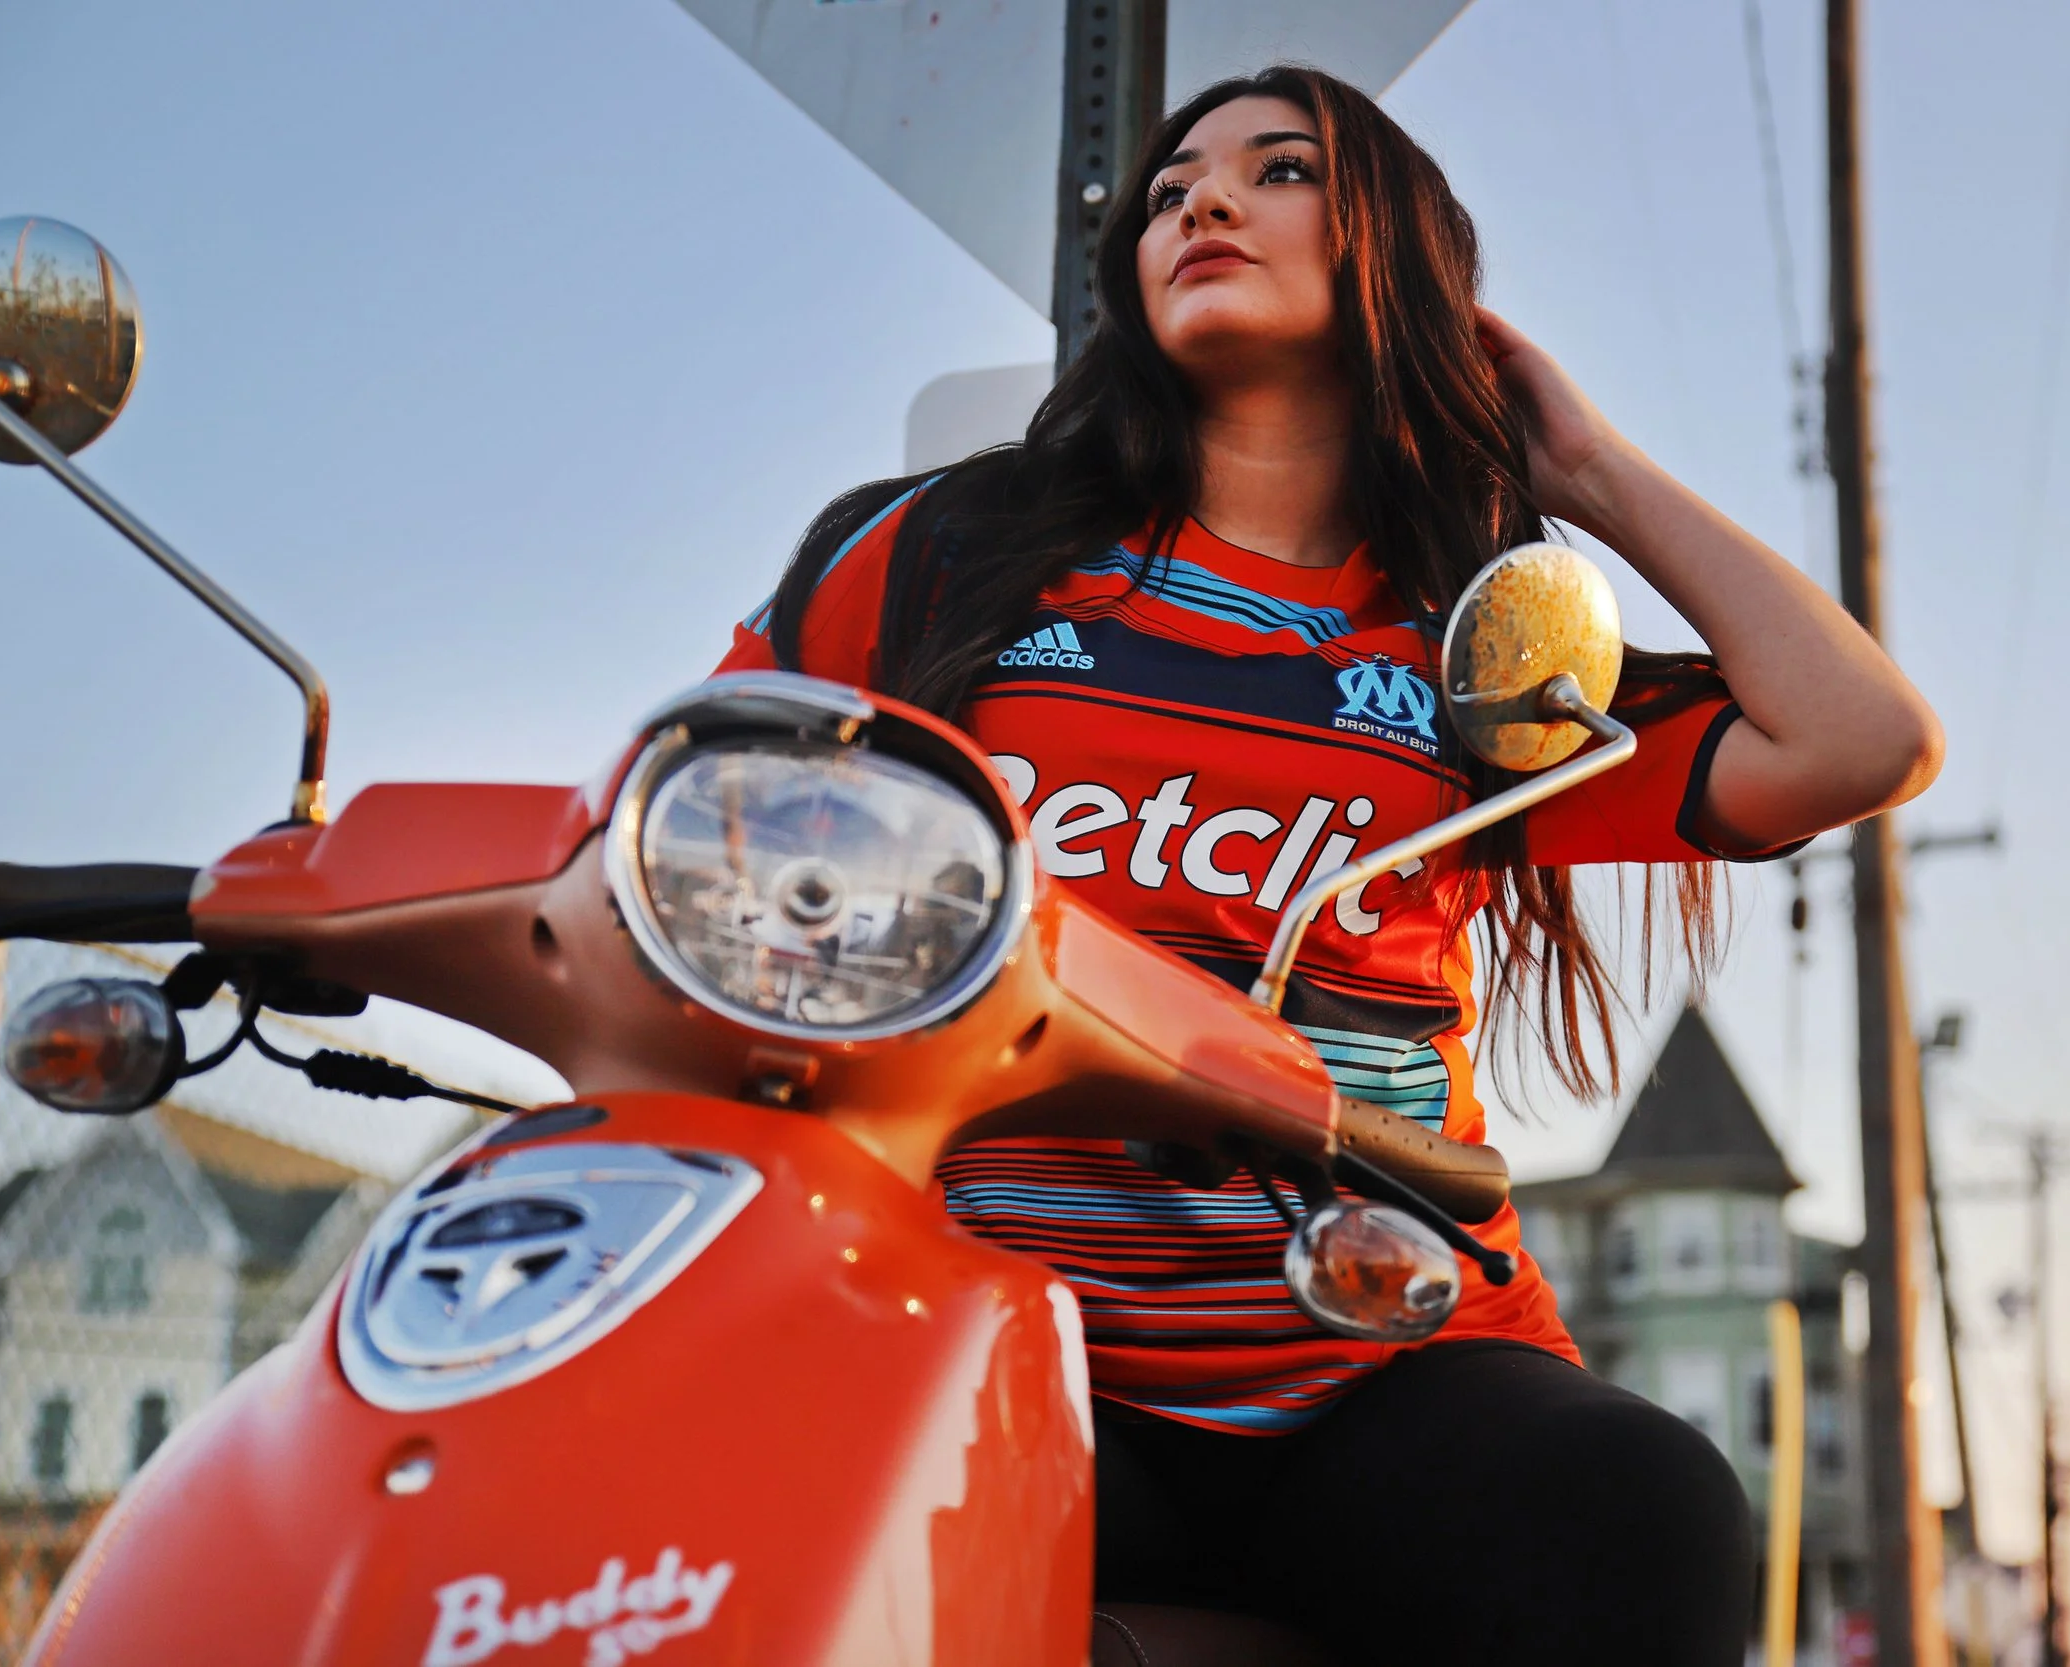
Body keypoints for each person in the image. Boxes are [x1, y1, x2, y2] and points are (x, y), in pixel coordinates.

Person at [715, 64, 1941, 1667]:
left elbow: (1861, 740)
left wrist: (1588, 473)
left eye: (1275, 170)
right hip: (998, 1350)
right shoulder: (942, 554)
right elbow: (694, 827)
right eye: (1168, 192)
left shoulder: (1474, 648)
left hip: (1376, 1371)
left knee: (1649, 1499)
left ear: (1397, 258)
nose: (1201, 202)